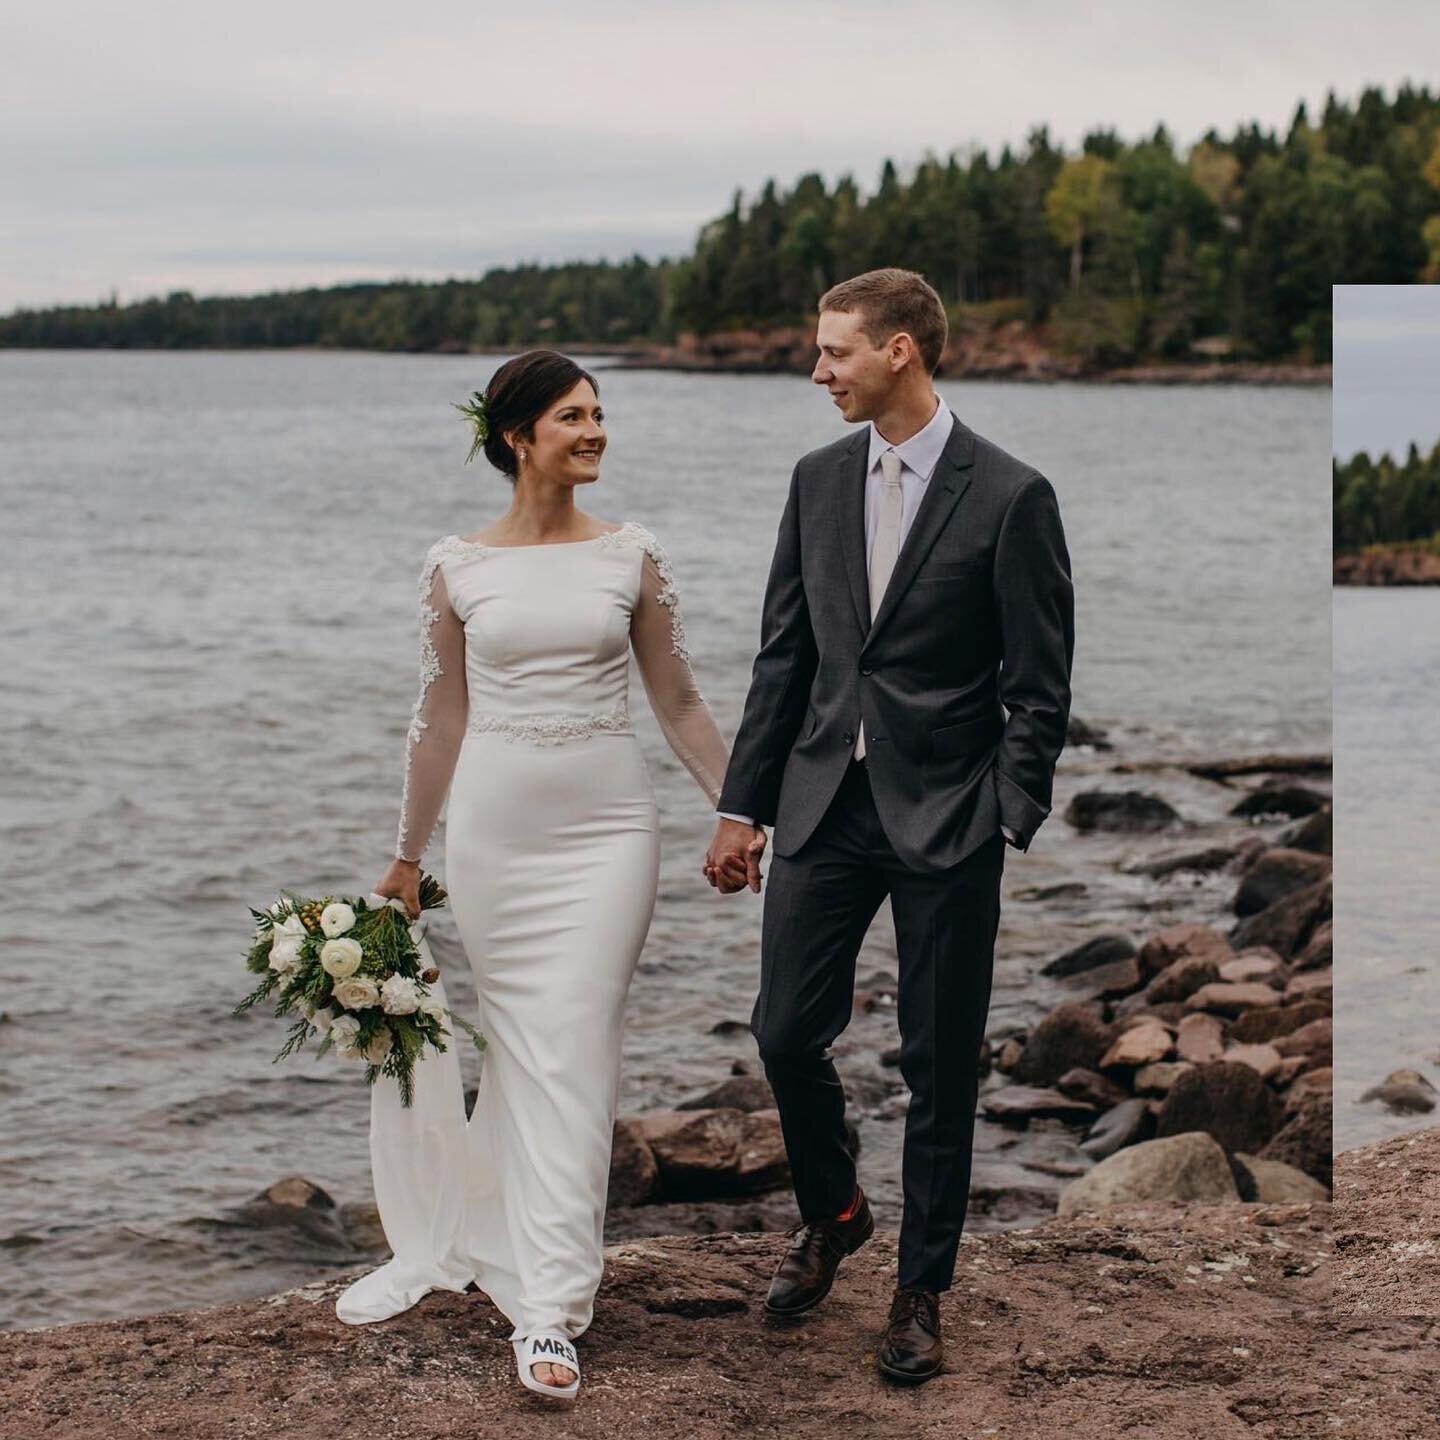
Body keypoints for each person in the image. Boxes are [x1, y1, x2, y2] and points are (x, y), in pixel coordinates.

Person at [704, 267, 1075, 1384]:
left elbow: (1040, 688)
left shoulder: (1011, 494)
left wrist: (1004, 813)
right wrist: (743, 803)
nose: (818, 371)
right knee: (781, 1032)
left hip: (948, 816)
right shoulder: (817, 481)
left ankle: (921, 1291)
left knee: (941, 1061)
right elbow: (788, 656)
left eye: (835, 352)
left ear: (900, 350)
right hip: (823, 803)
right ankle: (837, 1210)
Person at [342, 350, 732, 1402]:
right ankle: (494, 1236)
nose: (596, 430)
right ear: (519, 437)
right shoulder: (456, 566)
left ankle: (550, 1311)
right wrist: (407, 854)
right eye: (574, 415)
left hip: (610, 834)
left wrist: (743, 810)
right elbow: (441, 720)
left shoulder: (632, 556)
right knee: (524, 1050)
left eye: (601, 413)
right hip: (495, 841)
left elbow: (682, 706)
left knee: (574, 1046)